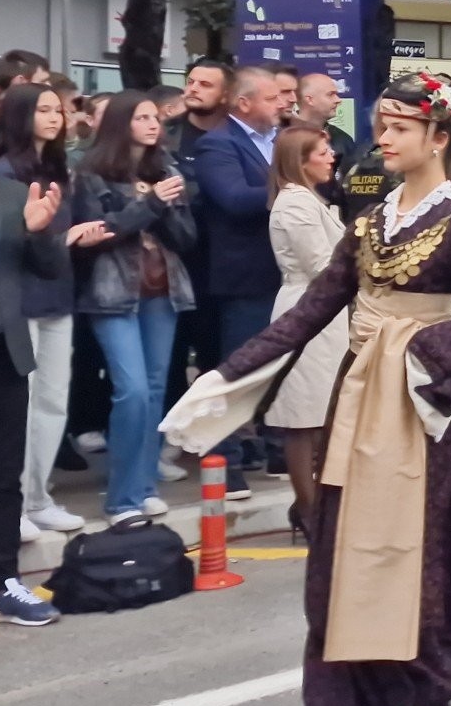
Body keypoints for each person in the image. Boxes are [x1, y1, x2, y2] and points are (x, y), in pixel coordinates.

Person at [162, 72, 451, 706]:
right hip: (358, 399)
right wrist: (224, 376)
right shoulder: (368, 223)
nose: (383, 138)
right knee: (346, 544)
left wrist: (426, 351)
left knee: (417, 547)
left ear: (438, 136)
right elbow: (305, 314)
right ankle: (355, 682)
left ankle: (418, 685)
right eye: (382, 125)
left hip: (421, 406)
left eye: (399, 127)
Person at [0, 88, 71, 625]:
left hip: (5, 353)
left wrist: (40, 231)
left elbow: (45, 270)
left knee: (1, 477)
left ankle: (3, 583)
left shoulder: (3, 191)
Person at [0, 83, 109, 538]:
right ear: (21, 116)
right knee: (22, 404)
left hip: (59, 296)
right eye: (43, 110)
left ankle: (38, 497)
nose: (55, 117)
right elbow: (2, 243)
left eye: (58, 109)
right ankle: (12, 503)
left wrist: (81, 237)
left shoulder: (59, 168)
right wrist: (63, 239)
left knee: (54, 401)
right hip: (18, 303)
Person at [71, 96, 196, 525]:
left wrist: (162, 205)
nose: (152, 124)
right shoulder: (90, 175)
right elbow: (102, 232)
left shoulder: (168, 171)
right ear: (121, 125)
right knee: (132, 390)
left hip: (163, 290)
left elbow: (186, 239)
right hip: (111, 293)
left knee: (157, 389)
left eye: (154, 118)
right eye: (141, 117)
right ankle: (122, 499)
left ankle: (144, 486)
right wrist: (151, 204)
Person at [192, 66, 288, 499]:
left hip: (283, 272)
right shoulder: (217, 144)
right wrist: (292, 189)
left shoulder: (280, 141)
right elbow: (232, 198)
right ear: (244, 103)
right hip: (243, 275)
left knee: (282, 366)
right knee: (236, 369)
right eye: (271, 99)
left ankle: (276, 446)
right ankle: (223, 459)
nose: (281, 104)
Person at [259, 126, 352, 530]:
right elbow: (319, 264)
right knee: (304, 415)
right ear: (301, 160)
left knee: (325, 411)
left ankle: (318, 501)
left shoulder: (313, 200)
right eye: (323, 151)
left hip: (328, 312)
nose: (331, 157)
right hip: (306, 308)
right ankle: (308, 507)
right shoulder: (294, 203)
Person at [294, 73, 357, 170]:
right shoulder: (280, 137)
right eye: (330, 94)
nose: (338, 100)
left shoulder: (343, 140)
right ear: (310, 100)